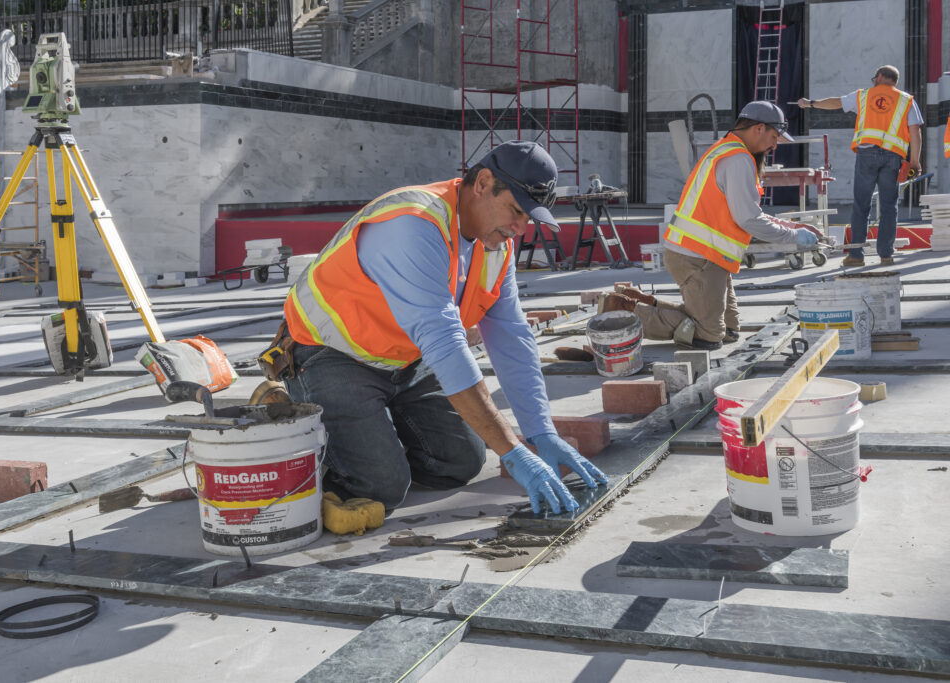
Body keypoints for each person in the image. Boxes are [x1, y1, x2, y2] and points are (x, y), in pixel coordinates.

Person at [267, 141, 608, 516]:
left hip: (403, 360)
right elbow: (445, 344)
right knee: (380, 488)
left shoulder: (495, 245)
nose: (520, 228)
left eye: (529, 218)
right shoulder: (413, 223)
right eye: (516, 210)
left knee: (460, 461)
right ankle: (300, 421)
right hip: (330, 356)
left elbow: (511, 336)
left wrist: (540, 431)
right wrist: (512, 452)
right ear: (482, 183)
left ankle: (370, 432)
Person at [603, 101, 820, 350]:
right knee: (709, 336)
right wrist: (793, 237)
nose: (773, 146)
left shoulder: (726, 149)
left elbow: (748, 212)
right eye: (773, 137)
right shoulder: (738, 159)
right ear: (758, 128)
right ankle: (618, 312)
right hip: (698, 257)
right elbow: (749, 219)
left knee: (729, 330)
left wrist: (792, 227)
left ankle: (636, 301)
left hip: (707, 255)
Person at [798, 65, 923, 267]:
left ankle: (856, 255)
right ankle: (886, 255)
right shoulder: (906, 100)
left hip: (867, 156)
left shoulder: (864, 96)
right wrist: (915, 161)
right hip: (893, 157)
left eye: (875, 77)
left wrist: (811, 103)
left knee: (861, 205)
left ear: (881, 76)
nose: (873, 81)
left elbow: (836, 103)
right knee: (890, 207)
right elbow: (915, 131)